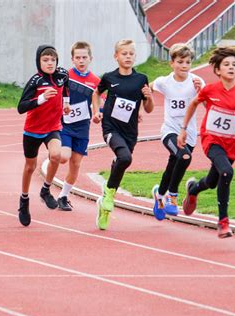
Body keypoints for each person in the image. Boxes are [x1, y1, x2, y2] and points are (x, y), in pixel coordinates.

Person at [178, 47, 235, 238]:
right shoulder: (210, 90)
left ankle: (193, 189)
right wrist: (183, 129)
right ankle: (223, 222)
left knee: (213, 181)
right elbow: (193, 104)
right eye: (226, 64)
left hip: (232, 145)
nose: (231, 67)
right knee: (226, 172)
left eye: (234, 65)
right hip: (211, 139)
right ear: (217, 70)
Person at [92, 39, 154, 230]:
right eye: (124, 54)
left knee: (123, 161)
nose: (128, 57)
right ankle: (109, 194)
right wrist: (97, 111)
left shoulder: (141, 79)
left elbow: (149, 109)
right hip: (111, 127)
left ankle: (104, 207)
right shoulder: (109, 78)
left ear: (135, 56)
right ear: (116, 56)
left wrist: (149, 96)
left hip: (130, 131)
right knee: (125, 157)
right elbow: (96, 93)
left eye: (131, 54)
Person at [17, 45, 71, 226]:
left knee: (56, 155)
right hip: (32, 130)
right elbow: (21, 107)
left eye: (53, 60)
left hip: (52, 128)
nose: (50, 63)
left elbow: (67, 86)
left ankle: (45, 190)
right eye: (45, 60)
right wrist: (41, 99)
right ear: (39, 62)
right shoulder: (36, 81)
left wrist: (66, 103)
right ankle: (24, 200)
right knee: (30, 167)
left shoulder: (62, 74)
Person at [150, 43, 205, 220]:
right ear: (172, 63)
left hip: (189, 134)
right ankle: (171, 197)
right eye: (180, 62)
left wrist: (201, 91)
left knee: (173, 166)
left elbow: (207, 104)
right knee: (184, 157)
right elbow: (148, 87)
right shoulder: (164, 82)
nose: (184, 66)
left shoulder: (197, 81)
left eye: (188, 62)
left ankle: (159, 195)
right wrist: (143, 100)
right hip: (170, 131)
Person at [57, 41, 101, 211]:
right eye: (78, 57)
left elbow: (100, 101)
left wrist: (98, 113)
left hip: (82, 128)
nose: (81, 60)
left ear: (90, 58)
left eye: (84, 57)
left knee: (75, 164)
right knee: (63, 157)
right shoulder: (65, 76)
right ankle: (48, 185)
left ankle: (63, 196)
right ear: (72, 59)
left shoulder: (95, 81)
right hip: (65, 125)